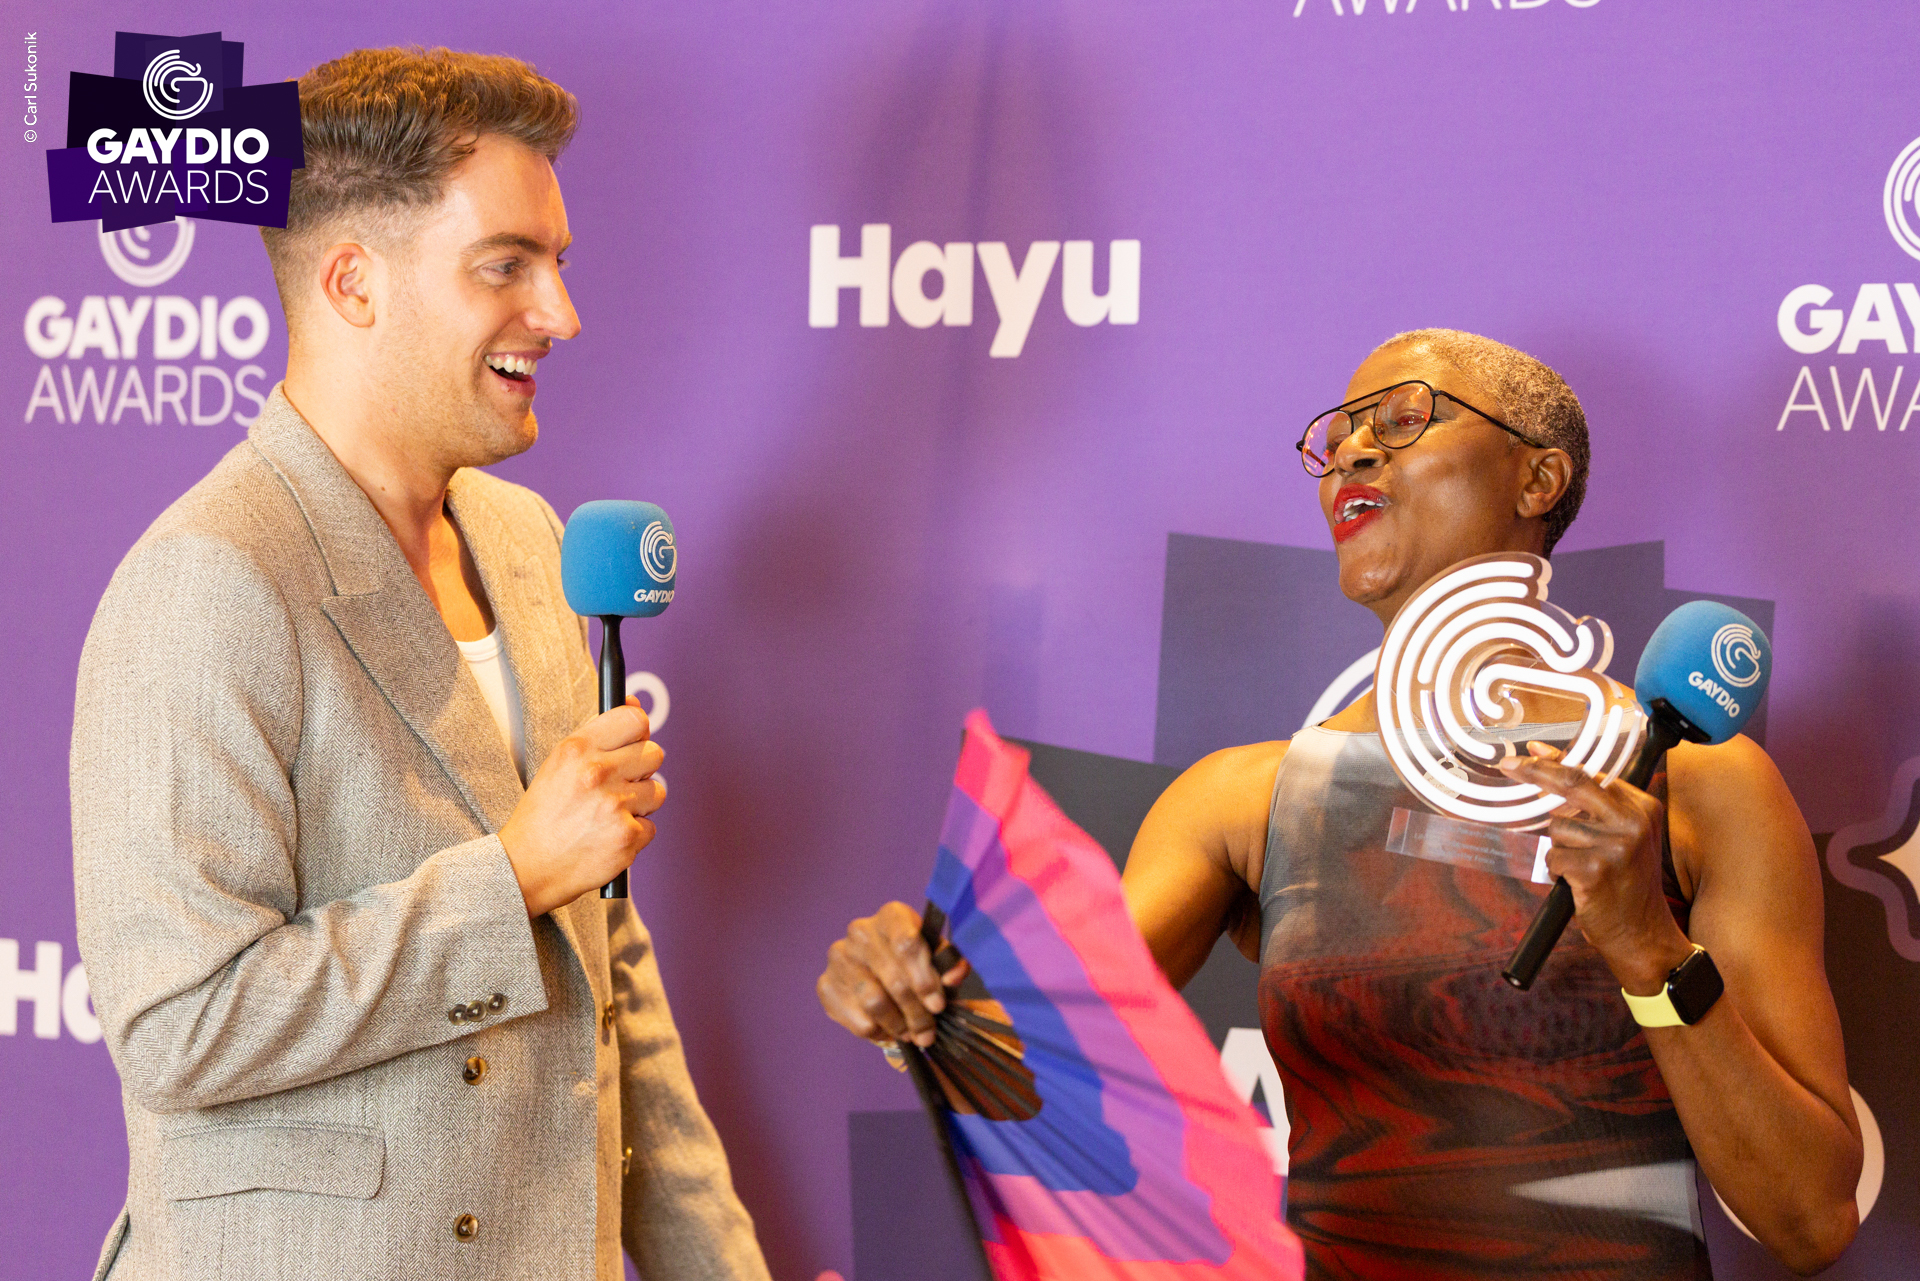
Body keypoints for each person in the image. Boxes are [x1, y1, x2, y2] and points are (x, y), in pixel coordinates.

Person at [817, 330, 1863, 1278]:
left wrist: (1647, 947)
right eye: (1339, 437)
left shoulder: (1698, 786)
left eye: (1404, 418)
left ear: (1537, 478)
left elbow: (1809, 1218)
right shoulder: (1245, 800)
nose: (1354, 453)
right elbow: (1033, 1058)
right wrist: (916, 1001)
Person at [71, 48, 769, 1281]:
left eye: (557, 263)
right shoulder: (211, 578)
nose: (560, 313)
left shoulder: (527, 541)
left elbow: (604, 967)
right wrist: (512, 879)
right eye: (506, 265)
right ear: (354, 283)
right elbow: (181, 1024)